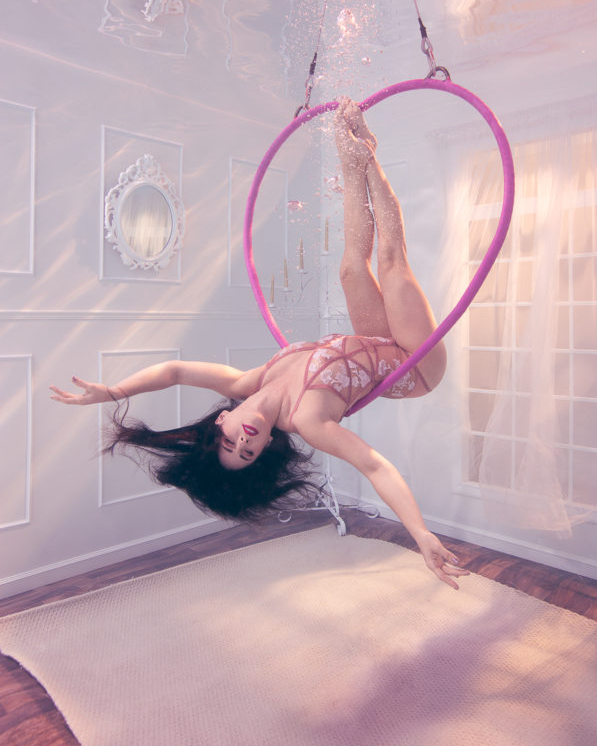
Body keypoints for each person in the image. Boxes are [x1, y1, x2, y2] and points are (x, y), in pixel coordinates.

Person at [50, 99, 468, 590]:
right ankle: (367, 157)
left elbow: (175, 371)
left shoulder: (250, 381)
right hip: (412, 368)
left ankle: (354, 153)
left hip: (376, 342)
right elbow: (375, 465)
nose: (243, 439)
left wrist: (115, 392)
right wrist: (419, 533)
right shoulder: (309, 421)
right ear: (267, 445)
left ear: (222, 419)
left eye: (229, 441)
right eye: (247, 452)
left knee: (352, 266)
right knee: (392, 264)